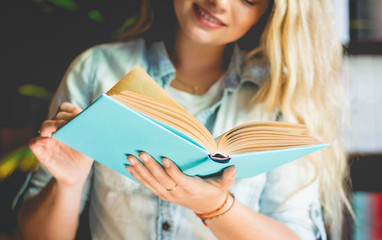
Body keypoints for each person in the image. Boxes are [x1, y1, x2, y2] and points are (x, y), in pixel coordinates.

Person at [15, 0, 351, 239]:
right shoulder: (97, 70)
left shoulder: (279, 96)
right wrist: (68, 184)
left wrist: (215, 206)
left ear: (267, 14)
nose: (219, 2)